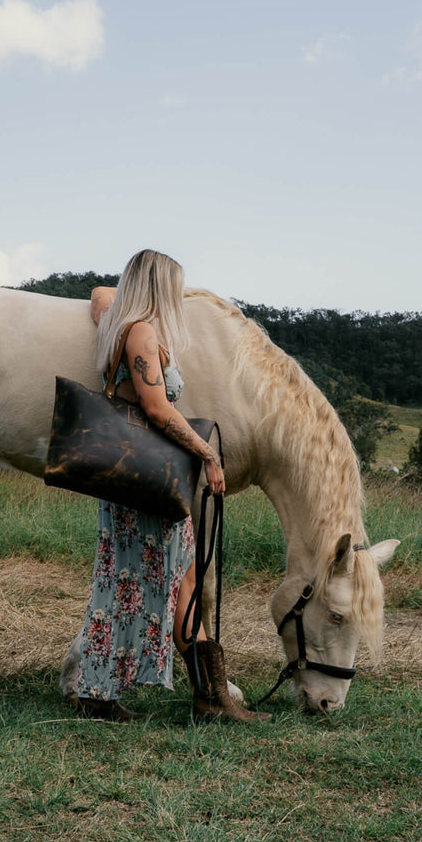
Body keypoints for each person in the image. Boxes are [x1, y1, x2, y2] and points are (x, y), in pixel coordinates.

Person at [76, 250, 270, 724]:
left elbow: (101, 295)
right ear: (157, 287)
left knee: (176, 579)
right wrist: (208, 455)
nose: (178, 298)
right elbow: (158, 410)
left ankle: (208, 694)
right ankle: (102, 693)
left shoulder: (119, 320)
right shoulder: (140, 331)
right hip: (146, 483)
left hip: (146, 482)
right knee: (127, 582)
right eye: (173, 287)